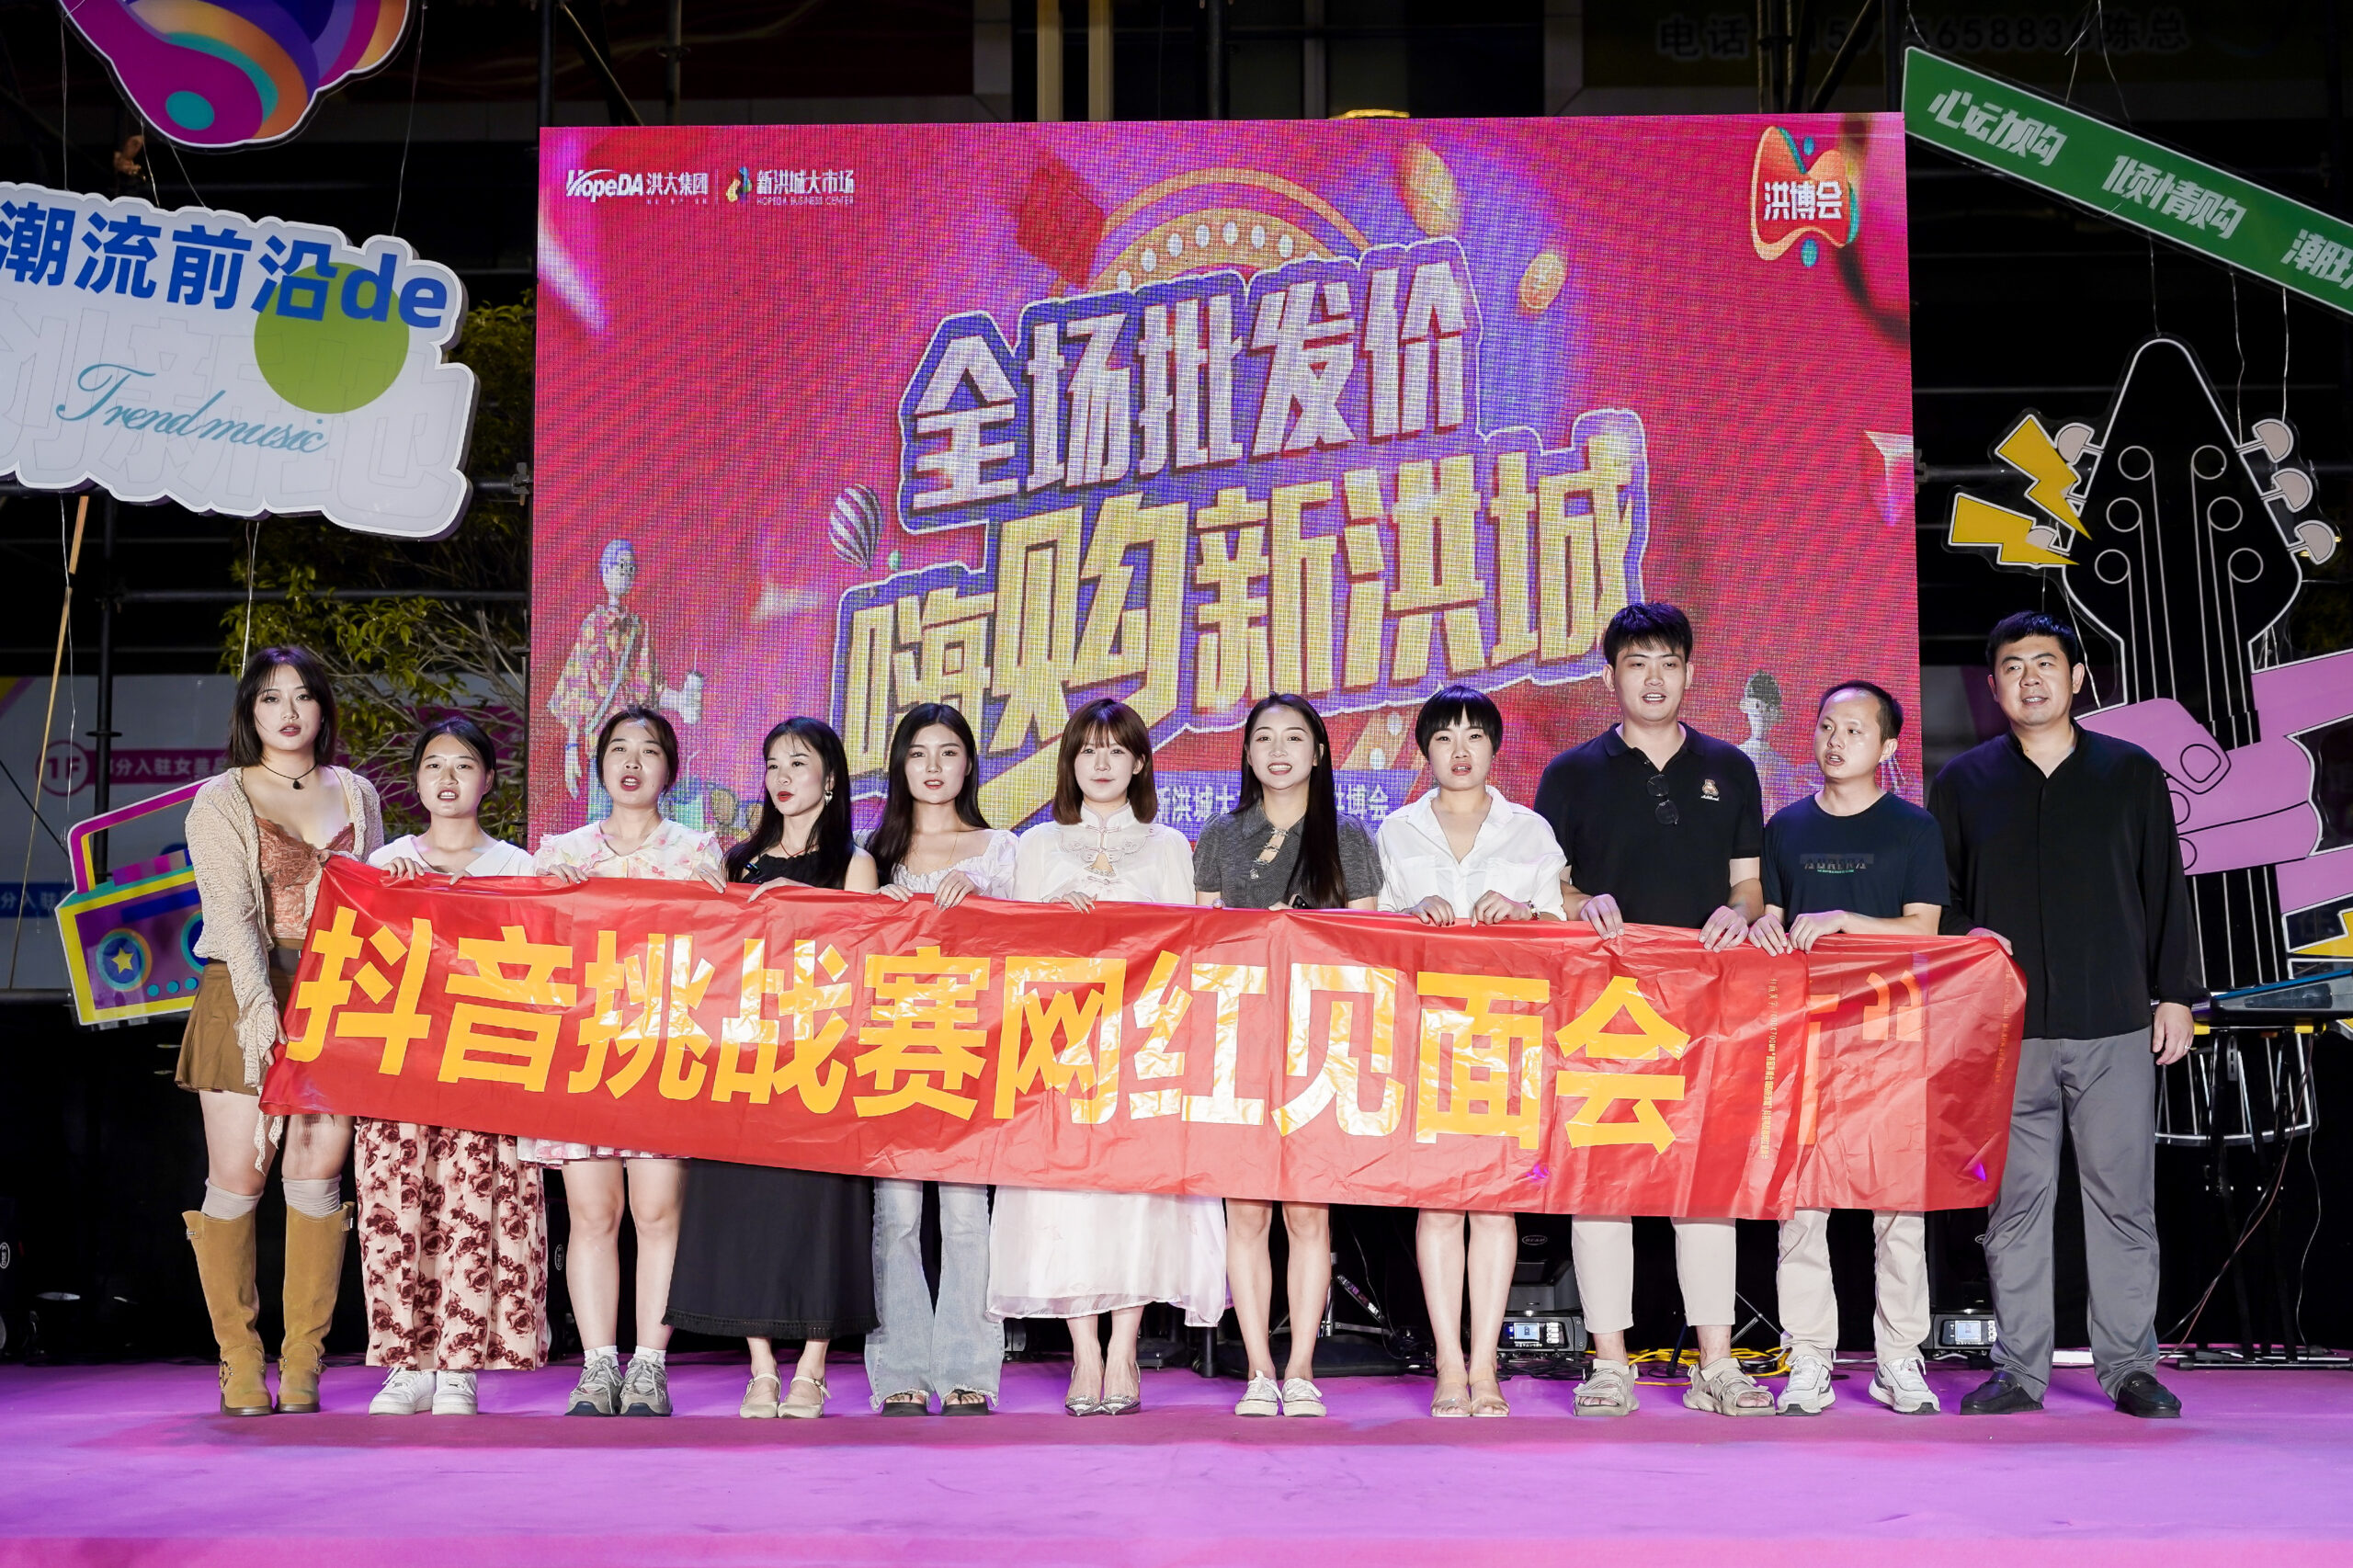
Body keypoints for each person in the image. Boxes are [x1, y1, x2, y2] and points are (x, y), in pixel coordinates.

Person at [1931, 612, 2200, 1420]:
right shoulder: (1964, 783)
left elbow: (2165, 887)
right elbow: (1941, 903)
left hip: (2114, 1020)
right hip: (2005, 1033)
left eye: (2046, 664)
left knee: (2123, 1202)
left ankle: (2130, 1369)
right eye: (2014, 667)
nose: (2031, 679)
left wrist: (2176, 994)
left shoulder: (2130, 772)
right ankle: (2020, 1370)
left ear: (2077, 678)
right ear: (1993, 686)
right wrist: (1964, 943)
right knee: (2014, 1206)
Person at [1531, 601, 1771, 1418]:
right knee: (1601, 1186)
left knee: (1706, 1186)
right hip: (1603, 1008)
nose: (1654, 678)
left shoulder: (1730, 767)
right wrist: (1580, 901)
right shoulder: (1571, 774)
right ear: (1611, 677)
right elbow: (1548, 886)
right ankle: (1609, 1365)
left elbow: (1749, 883)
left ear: (1690, 673)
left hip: (1708, 1009)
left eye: (1668, 662)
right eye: (1637, 664)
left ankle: (1717, 1365)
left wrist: (1740, 913)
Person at [990, 699, 1228, 1416]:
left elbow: (1189, 950)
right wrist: (1047, 921)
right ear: (1070, 762)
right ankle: (1084, 1353)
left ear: (1139, 763)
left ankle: (1123, 1349)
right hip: (1058, 1056)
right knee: (1064, 1201)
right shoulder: (1035, 846)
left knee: (1133, 1201)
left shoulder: (1168, 845)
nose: (1101, 763)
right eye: (1088, 750)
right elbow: (1007, 957)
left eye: (1116, 750)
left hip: (1141, 1052)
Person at [177, 646, 383, 1415]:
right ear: (249, 713)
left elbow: (376, 902)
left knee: (315, 1174)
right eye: (270, 698)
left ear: (323, 708)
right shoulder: (221, 798)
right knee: (240, 1175)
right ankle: (239, 1361)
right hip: (245, 989)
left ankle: (303, 1365)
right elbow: (231, 914)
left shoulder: (357, 792)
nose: (288, 712)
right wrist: (263, 1010)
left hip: (338, 996)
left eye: (302, 696)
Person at [666, 718, 881, 1420]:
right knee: (744, 1209)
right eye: (772, 765)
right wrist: (708, 902)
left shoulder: (853, 862)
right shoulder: (738, 862)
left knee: (820, 1214)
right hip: (747, 1060)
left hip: (820, 1061)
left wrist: (792, 907)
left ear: (831, 778)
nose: (782, 778)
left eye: (798, 763)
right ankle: (761, 1367)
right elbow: (712, 965)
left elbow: (857, 962)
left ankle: (812, 1368)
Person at [1747, 682, 1947, 1416]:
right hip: (1807, 1040)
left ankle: (1899, 1358)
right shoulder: (1785, 826)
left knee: (1899, 1210)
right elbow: (1771, 918)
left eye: (1856, 730)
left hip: (1891, 1040)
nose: (1836, 741)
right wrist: (1765, 927)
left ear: (1888, 746)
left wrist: (1843, 920)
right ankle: (1809, 1357)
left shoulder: (1914, 828)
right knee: (1802, 1207)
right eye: (1827, 726)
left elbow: (1925, 928)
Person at [530, 705, 724, 1417]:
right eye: (618, 748)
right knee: (592, 1213)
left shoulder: (697, 852)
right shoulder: (560, 853)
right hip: (580, 1054)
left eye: (649, 750)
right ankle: (597, 1367)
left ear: (670, 768)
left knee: (658, 1210)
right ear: (599, 763)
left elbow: (720, 952)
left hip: (663, 1050)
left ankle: (649, 1365)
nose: (632, 762)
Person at [1375, 685, 1563, 1419]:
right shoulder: (1397, 831)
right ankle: (1448, 1367)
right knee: (1438, 1204)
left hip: (1507, 1037)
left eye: (1474, 736)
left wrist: (1524, 912)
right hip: (1423, 1035)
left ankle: (1486, 1368)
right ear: (1425, 750)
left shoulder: (1529, 830)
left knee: (1494, 1204)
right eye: (1445, 737)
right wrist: (1406, 915)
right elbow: (1368, 932)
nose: (1460, 751)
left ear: (1494, 747)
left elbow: (1562, 928)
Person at [1194, 694, 1382, 1419]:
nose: (1278, 751)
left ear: (1320, 753)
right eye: (1264, 738)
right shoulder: (1222, 836)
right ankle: (1257, 1369)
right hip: (1239, 1044)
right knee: (1246, 1213)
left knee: (1307, 1213)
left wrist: (1304, 933)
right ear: (1246, 754)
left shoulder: (1349, 837)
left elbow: (1368, 949)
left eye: (1294, 738)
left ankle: (1302, 1367)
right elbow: (1200, 943)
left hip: (1320, 1047)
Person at [358, 717, 547, 1416]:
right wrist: (384, 894)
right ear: (416, 780)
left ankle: (460, 1365)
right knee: (399, 1206)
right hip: (402, 1065)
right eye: (434, 764)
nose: (447, 778)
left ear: (488, 780)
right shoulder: (386, 862)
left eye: (464, 765)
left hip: (486, 1065)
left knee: (477, 1207)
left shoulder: (519, 868)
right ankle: (405, 1365)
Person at [864, 703, 1015, 1416]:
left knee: (964, 1214)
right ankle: (898, 1369)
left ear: (968, 764)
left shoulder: (999, 850)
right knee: (895, 1215)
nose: (932, 766)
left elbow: (1035, 943)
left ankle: (967, 1371)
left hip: (971, 1050)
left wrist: (985, 897)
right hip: (890, 1050)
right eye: (918, 753)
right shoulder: (874, 854)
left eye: (947, 752)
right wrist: (872, 908)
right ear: (900, 765)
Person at [548, 539, 702, 802]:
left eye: (631, 568)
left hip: (638, 740)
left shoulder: (637, 628)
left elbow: (648, 687)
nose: (626, 574)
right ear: (605, 570)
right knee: (604, 808)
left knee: (641, 806)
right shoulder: (594, 625)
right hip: (604, 741)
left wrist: (682, 701)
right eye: (620, 566)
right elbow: (578, 687)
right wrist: (571, 746)